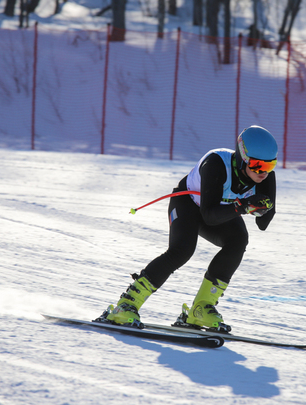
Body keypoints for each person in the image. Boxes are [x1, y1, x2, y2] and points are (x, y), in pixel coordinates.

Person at [97, 125, 278, 332]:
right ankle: (125, 305)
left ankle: (201, 308)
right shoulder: (216, 163)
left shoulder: (266, 176)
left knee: (238, 241)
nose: (262, 172)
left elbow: (263, 224)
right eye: (256, 165)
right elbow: (209, 216)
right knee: (182, 250)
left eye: (269, 165)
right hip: (188, 203)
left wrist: (263, 208)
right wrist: (243, 206)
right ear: (242, 157)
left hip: (219, 210)